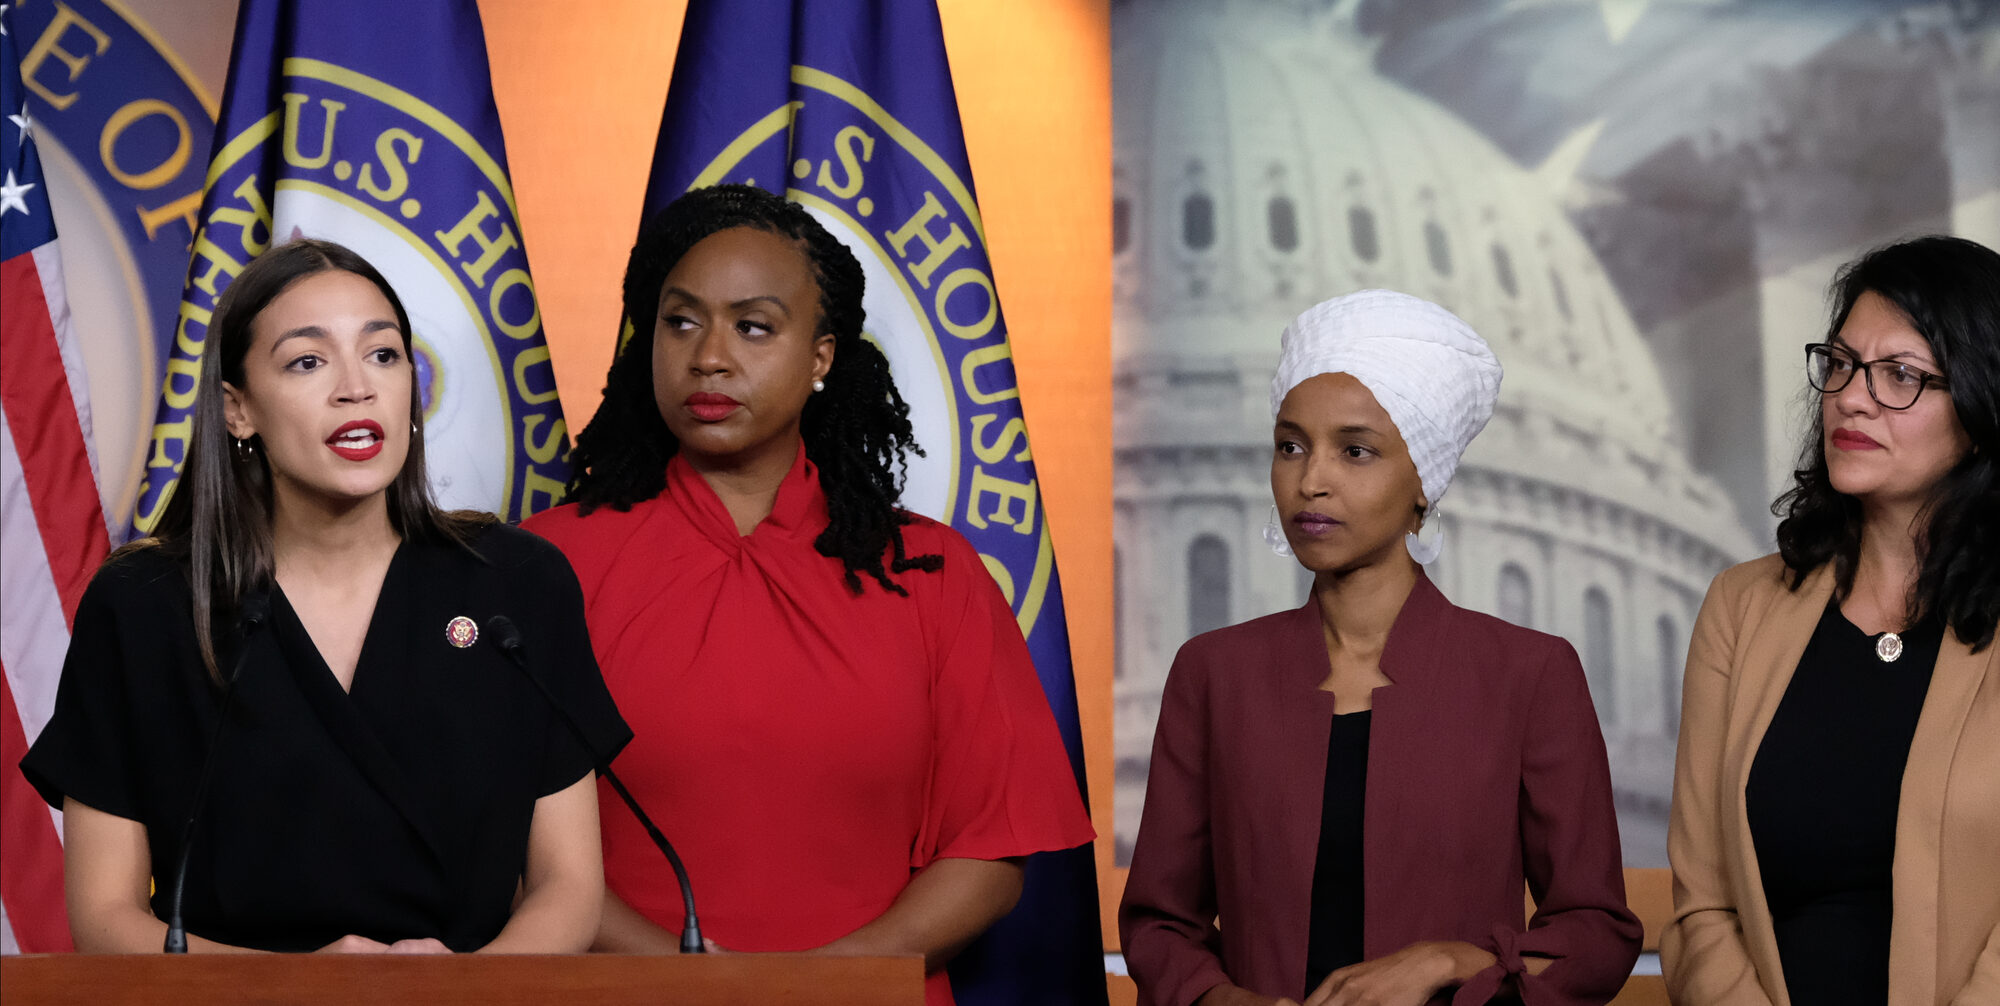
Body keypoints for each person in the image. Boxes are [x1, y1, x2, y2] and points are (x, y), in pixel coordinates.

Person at [521, 184, 1093, 1004]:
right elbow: (505, 841)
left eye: (753, 327)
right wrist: (686, 984)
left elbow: (989, 855)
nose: (709, 356)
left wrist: (820, 985)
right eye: (680, 322)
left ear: (821, 357)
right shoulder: (544, 566)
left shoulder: (933, 573)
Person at [20, 238, 629, 954]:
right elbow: (104, 917)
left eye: (383, 354)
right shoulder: (142, 605)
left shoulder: (518, 583)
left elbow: (568, 887)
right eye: (308, 361)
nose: (356, 387)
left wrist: (464, 993)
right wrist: (298, 992)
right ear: (237, 409)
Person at [1120, 290, 1642, 1006]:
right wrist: (1221, 1000)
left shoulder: (1529, 674)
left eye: (1355, 451)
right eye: (1290, 446)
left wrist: (1452, 962)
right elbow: (1159, 924)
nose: (1311, 481)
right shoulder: (1214, 673)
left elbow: (1595, 932)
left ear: (1424, 482)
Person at [1662, 235, 2000, 1005]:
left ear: (1982, 412)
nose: (1852, 396)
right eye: (1842, 364)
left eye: (1901, 375)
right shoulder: (1741, 608)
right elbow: (1701, 908)